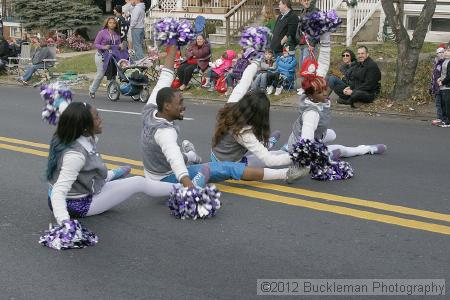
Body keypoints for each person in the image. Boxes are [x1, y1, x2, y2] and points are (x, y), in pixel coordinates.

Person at [141, 45, 307, 187]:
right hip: (165, 178)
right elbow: (176, 163)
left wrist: (173, 42)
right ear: (167, 106)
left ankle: (191, 156)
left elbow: (165, 75)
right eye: (180, 103)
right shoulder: (242, 131)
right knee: (265, 156)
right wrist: (189, 188)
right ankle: (286, 171)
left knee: (184, 157)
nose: (184, 106)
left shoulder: (150, 109)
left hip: (161, 168)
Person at [47, 102, 175, 226]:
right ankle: (183, 189)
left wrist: (112, 174)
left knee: (126, 178)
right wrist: (65, 223)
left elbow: (84, 175)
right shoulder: (75, 155)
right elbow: (58, 191)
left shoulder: (72, 136)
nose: (101, 120)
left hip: (77, 191)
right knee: (138, 182)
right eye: (96, 118)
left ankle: (110, 175)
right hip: (77, 204)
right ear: (85, 127)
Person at [285, 76, 386, 164]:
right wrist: (316, 155)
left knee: (332, 134)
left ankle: (288, 146)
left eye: (325, 89)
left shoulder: (315, 101)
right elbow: (306, 141)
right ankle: (366, 149)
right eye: (320, 92)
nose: (325, 93)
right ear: (311, 95)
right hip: (301, 147)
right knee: (341, 150)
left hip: (300, 137)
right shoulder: (312, 114)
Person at [89, 17, 128, 99]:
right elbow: (95, 44)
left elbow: (119, 45)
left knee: (112, 73)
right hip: (101, 56)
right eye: (110, 22)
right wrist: (103, 47)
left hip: (112, 56)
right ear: (107, 23)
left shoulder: (116, 34)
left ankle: (112, 93)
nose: (112, 24)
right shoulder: (102, 33)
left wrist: (121, 46)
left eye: (114, 23)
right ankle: (92, 90)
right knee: (100, 74)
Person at [430, 44, 446, 126]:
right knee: (438, 103)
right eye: (438, 53)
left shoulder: (444, 63)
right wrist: (431, 86)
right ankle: (440, 117)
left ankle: (442, 118)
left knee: (441, 103)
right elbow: (434, 76)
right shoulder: (437, 63)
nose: (440, 54)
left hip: (442, 86)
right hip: (436, 87)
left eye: (442, 52)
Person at [437, 46, 450, 127]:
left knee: (447, 105)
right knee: (443, 105)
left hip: (448, 86)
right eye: (445, 50)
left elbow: (449, 76)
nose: (445, 52)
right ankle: (444, 120)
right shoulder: (445, 61)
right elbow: (443, 73)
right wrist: (439, 79)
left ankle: (448, 122)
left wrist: (443, 82)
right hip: (442, 86)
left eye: (448, 50)